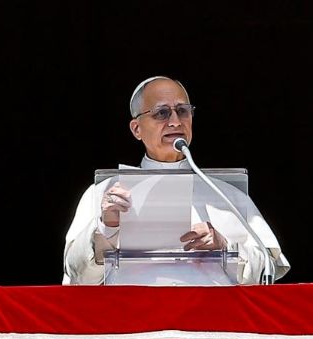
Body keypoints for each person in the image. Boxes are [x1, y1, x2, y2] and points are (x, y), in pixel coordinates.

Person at [62, 76, 289, 285]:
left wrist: (225, 248)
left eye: (183, 111)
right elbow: (77, 275)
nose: (175, 121)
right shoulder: (103, 192)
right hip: (134, 321)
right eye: (161, 113)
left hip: (208, 323)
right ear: (136, 129)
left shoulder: (225, 194)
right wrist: (107, 227)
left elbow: (268, 269)